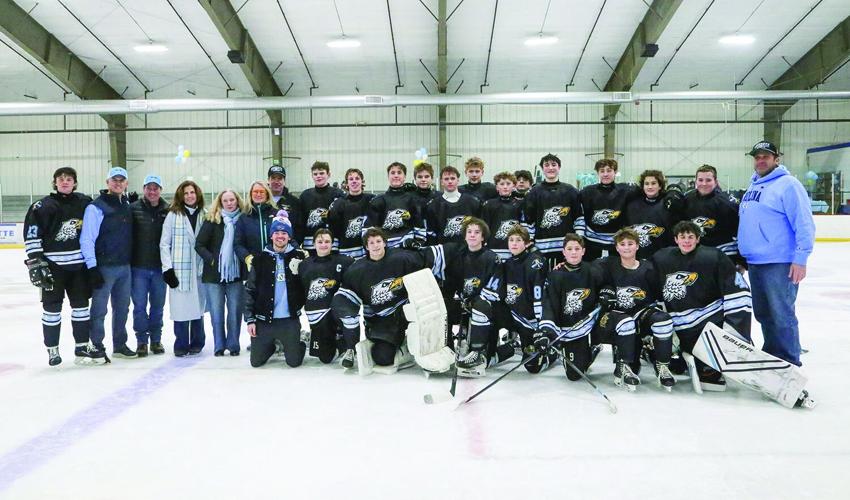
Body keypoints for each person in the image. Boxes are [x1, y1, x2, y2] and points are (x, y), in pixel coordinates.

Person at [738, 141, 815, 368]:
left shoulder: (788, 185)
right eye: (757, 157)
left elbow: (804, 223)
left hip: (779, 262)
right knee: (764, 313)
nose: (760, 160)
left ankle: (790, 361)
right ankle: (772, 355)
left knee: (782, 314)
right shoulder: (754, 186)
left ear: (776, 159)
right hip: (756, 262)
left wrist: (801, 258)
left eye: (766, 156)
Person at [652, 220, 752, 391]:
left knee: (713, 363)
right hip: (683, 328)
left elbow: (737, 290)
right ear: (676, 239)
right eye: (682, 237)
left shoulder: (713, 257)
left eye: (691, 237)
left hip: (711, 322)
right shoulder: (662, 258)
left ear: (698, 239)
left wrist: (735, 329)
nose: (687, 241)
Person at [23, 167, 105, 365]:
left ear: (75, 183)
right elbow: (32, 234)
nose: (65, 182)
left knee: (81, 308)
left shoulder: (85, 202)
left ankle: (81, 346)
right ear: (55, 183)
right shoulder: (42, 206)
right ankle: (53, 349)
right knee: (52, 310)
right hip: (53, 267)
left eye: (69, 179)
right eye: (61, 179)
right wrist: (36, 262)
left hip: (79, 268)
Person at [593, 228, 675, 391]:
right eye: (622, 244)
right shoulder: (607, 264)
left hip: (641, 313)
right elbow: (583, 269)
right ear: (616, 248)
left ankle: (662, 365)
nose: (626, 247)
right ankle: (623, 365)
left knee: (663, 320)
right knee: (626, 323)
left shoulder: (649, 268)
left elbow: (659, 296)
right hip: (616, 316)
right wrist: (562, 265)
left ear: (637, 246)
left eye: (630, 244)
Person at [332, 227, 425, 369]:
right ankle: (400, 347)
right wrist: (346, 311)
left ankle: (409, 341)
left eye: (378, 241)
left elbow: (427, 262)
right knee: (382, 357)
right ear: (366, 247)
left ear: (385, 243)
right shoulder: (357, 270)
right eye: (371, 243)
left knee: (425, 341)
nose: (375, 245)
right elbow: (344, 297)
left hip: (405, 313)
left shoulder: (401, 257)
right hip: (380, 322)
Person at [470, 225, 553, 374]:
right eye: (511, 240)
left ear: (527, 243)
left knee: (532, 366)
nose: (514, 243)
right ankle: (481, 353)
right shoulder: (507, 264)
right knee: (483, 308)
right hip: (512, 315)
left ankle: (555, 348)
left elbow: (540, 297)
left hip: (530, 322)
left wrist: (542, 327)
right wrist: (475, 300)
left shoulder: (535, 263)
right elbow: (494, 290)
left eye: (518, 240)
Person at [80, 166, 136, 359]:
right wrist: (92, 267)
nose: (118, 183)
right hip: (104, 267)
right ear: (108, 183)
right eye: (114, 180)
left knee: (122, 308)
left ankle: (120, 344)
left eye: (122, 180)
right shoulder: (96, 207)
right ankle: (96, 344)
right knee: (99, 310)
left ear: (126, 184)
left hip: (124, 267)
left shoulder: (127, 205)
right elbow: (87, 238)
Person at [244, 210, 308, 368]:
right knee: (256, 362)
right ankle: (270, 345)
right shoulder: (259, 259)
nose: (280, 236)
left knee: (293, 362)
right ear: (271, 235)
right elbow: (250, 290)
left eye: (284, 233)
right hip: (264, 320)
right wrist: (250, 320)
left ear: (289, 236)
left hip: (289, 320)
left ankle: (298, 343)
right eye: (277, 232)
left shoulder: (299, 257)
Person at [538, 234, 605, 381]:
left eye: (577, 249)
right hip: (565, 326)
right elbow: (549, 303)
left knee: (576, 373)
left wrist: (606, 294)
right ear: (563, 252)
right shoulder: (555, 275)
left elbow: (607, 282)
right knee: (574, 375)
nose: (573, 252)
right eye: (569, 249)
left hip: (584, 325)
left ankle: (592, 349)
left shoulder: (593, 270)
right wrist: (546, 331)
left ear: (583, 251)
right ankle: (559, 350)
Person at [195, 189, 247, 356]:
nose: (230, 203)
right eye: (226, 201)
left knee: (234, 312)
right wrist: (212, 260)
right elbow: (199, 244)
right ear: (220, 203)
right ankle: (219, 345)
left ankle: (233, 345)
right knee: (217, 313)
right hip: (213, 275)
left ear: (237, 201)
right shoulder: (212, 220)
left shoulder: (243, 221)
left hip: (236, 274)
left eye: (232, 200)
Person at [160, 180, 207, 357]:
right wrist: (167, 269)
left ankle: (197, 341)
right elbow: (164, 244)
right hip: (179, 269)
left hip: (199, 268)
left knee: (197, 308)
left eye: (192, 192)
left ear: (198, 194)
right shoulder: (173, 215)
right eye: (186, 193)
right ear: (181, 196)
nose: (189, 196)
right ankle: (180, 343)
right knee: (180, 309)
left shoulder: (205, 214)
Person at [296, 228, 354, 365]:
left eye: (327, 241)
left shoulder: (344, 262)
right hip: (315, 314)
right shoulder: (304, 265)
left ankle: (343, 339)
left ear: (332, 244)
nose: (323, 245)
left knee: (330, 353)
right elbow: (301, 290)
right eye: (320, 241)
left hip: (334, 312)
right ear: (314, 243)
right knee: (325, 358)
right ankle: (311, 336)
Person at [129, 174, 170, 357]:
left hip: (159, 268)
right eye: (149, 188)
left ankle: (156, 340)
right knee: (139, 306)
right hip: (138, 267)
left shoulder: (168, 210)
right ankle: (141, 341)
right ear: (144, 189)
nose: (152, 191)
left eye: (156, 188)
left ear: (160, 190)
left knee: (157, 306)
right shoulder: (133, 209)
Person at [522, 153, 583, 268]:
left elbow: (579, 217)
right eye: (547, 165)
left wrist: (578, 239)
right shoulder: (533, 192)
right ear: (542, 168)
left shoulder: (570, 190)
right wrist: (530, 244)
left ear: (559, 167)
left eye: (554, 165)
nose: (550, 168)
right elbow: (528, 220)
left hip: (567, 248)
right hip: (542, 248)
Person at [682, 164, 741, 262]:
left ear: (716, 182)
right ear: (696, 181)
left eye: (708, 180)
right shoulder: (686, 200)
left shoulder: (726, 204)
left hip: (721, 252)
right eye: (700, 180)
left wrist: (740, 260)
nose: (704, 184)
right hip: (693, 252)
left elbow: (737, 233)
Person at [578, 158, 633, 261]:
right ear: (597, 173)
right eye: (602, 171)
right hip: (591, 241)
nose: (605, 174)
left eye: (609, 170)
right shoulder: (587, 192)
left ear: (615, 172)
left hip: (616, 240)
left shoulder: (625, 191)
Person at [623, 169, 683, 259]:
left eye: (653, 183)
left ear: (660, 186)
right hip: (638, 257)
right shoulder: (632, 205)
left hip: (663, 256)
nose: (650, 187)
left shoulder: (668, 204)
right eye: (646, 184)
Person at [368, 162, 425, 248]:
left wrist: (417, 243)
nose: (396, 175)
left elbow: (419, 225)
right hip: (385, 248)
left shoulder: (412, 200)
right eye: (393, 173)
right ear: (388, 176)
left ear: (404, 177)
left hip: (407, 248)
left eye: (399, 172)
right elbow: (373, 230)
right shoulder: (378, 201)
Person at [424, 166, 481, 245]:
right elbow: (432, 235)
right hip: (444, 251)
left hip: (468, 251)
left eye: (452, 178)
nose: (450, 181)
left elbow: (480, 229)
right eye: (446, 179)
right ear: (441, 182)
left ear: (458, 180)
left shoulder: (473, 202)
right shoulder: (433, 206)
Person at [328, 168, 374, 258]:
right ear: (346, 183)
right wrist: (333, 250)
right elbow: (334, 229)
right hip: (346, 251)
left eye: (357, 178)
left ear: (362, 181)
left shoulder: (372, 200)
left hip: (370, 250)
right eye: (351, 179)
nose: (354, 181)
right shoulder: (338, 204)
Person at [300, 161, 344, 252]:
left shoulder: (338, 194)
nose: (318, 176)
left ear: (328, 174)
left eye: (322, 173)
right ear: (312, 176)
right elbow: (301, 221)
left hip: (332, 244)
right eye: (315, 174)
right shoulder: (305, 195)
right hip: (310, 245)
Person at [480, 171, 525, 260]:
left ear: (514, 186)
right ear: (497, 187)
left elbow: (523, 227)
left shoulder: (520, 204)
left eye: (508, 184)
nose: (505, 187)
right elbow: (484, 227)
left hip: (514, 249)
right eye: (502, 184)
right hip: (493, 248)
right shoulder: (489, 204)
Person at [235, 181, 277, 267]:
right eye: (255, 191)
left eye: (262, 192)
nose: (258, 194)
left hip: (275, 264)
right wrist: (247, 257)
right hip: (252, 267)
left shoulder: (277, 214)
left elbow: (288, 237)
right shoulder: (244, 217)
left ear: (267, 194)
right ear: (250, 194)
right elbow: (237, 244)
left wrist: (298, 250)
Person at [267, 165, 305, 244]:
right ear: (268, 180)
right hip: (266, 249)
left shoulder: (294, 202)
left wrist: (293, 246)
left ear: (284, 181)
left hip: (289, 249)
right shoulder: (262, 201)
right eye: (273, 178)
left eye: (280, 178)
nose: (276, 181)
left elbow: (300, 228)